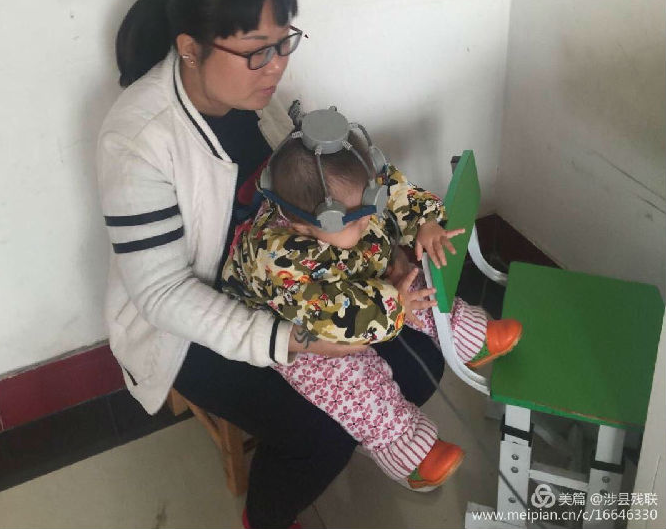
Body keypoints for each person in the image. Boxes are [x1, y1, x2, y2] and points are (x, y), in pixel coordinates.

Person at [97, 0, 448, 529]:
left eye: (285, 43)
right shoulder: (138, 140)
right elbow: (161, 295)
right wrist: (294, 341)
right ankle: (265, 517)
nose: (277, 66)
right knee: (320, 432)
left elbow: (318, 200)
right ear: (190, 48)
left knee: (422, 360)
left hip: (288, 279)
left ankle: (378, 432)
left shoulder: (260, 101)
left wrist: (383, 249)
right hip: (190, 323)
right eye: (257, 50)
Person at [221, 130, 523, 489]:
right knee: (348, 380)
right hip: (300, 322)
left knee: (415, 283)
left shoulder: (349, 193)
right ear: (303, 226)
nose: (369, 220)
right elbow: (336, 316)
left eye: (370, 205)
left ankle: (468, 337)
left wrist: (424, 221)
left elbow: (392, 188)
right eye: (356, 220)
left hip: (354, 273)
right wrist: (394, 304)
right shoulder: (276, 259)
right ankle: (404, 446)